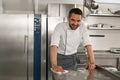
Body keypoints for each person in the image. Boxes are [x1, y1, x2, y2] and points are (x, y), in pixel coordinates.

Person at [50, 8, 96, 73]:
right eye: (73, 20)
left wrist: (92, 62)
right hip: (59, 59)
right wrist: (54, 65)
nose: (75, 23)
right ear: (68, 18)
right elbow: (54, 45)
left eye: (78, 21)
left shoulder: (82, 27)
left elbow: (88, 44)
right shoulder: (60, 27)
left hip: (73, 58)